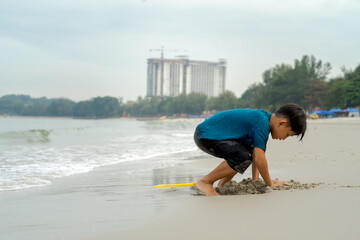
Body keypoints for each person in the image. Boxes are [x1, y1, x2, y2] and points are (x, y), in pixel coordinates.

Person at [194, 103, 307, 196]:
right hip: (206, 136)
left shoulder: (264, 119)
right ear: (281, 123)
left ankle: (223, 184)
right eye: (287, 134)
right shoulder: (262, 123)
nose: (284, 138)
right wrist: (270, 183)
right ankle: (206, 182)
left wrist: (255, 180)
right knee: (242, 157)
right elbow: (259, 159)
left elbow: (255, 154)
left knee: (246, 153)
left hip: (209, 135)